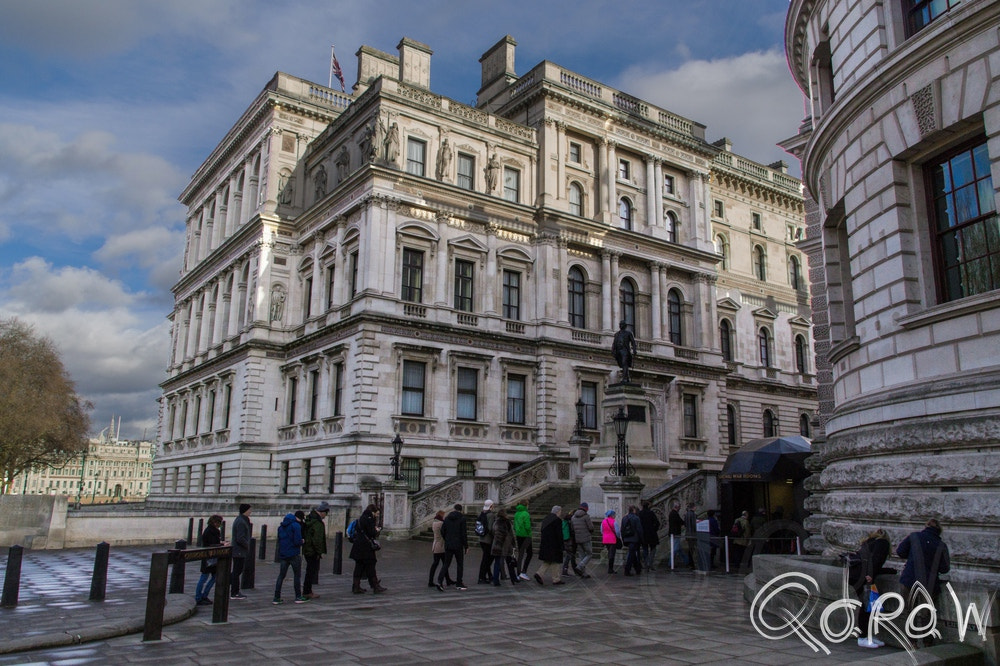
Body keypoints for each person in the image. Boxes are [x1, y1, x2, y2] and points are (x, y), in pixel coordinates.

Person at [848, 528, 891, 648]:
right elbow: (876, 560)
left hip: (856, 575)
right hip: (862, 577)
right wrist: (871, 575)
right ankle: (862, 638)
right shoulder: (883, 543)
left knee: (869, 607)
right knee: (866, 607)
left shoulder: (868, 543)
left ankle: (867, 636)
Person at [349, 504, 386, 594]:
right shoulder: (369, 519)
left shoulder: (361, 518)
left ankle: (356, 586)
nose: (377, 516)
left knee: (359, 566)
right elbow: (371, 533)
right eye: (376, 514)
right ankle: (375, 586)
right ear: (372, 512)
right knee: (370, 566)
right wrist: (377, 530)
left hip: (358, 546)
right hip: (366, 547)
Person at [273, 512, 308, 604]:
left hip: (284, 554)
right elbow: (297, 541)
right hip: (294, 553)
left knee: (281, 575)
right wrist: (302, 541)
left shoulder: (281, 527)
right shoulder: (295, 526)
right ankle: (298, 596)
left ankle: (276, 597)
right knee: (297, 576)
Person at [302, 501, 329, 599]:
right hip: (312, 550)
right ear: (322, 511)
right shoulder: (317, 522)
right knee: (311, 571)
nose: (326, 515)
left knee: (309, 570)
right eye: (326, 513)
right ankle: (307, 591)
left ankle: (307, 590)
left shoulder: (310, 518)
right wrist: (319, 551)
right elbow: (317, 539)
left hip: (308, 549)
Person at [194, 514, 223, 606]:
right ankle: (199, 597)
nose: (220, 525)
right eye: (219, 523)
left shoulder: (210, 530)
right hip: (209, 558)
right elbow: (212, 544)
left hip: (210, 557)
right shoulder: (211, 531)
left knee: (210, 577)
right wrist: (221, 545)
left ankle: (203, 595)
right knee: (204, 578)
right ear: (215, 522)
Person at [533, 506, 565, 585]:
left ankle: (539, 573)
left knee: (548, 560)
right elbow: (559, 534)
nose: (560, 513)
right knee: (556, 561)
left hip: (546, 543)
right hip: (554, 544)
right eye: (560, 511)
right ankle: (556, 579)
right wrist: (562, 545)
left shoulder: (546, 519)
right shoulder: (557, 520)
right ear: (558, 512)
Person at [440, 503, 469, 590]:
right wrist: (466, 546)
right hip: (458, 545)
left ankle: (439, 581)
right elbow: (464, 534)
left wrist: (447, 539)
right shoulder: (462, 519)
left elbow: (442, 530)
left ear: (454, 509)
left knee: (446, 564)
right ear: (461, 510)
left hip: (449, 544)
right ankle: (459, 583)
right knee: (460, 564)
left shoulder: (447, 518)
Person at [491, 507, 518, 586]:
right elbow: (511, 534)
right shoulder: (507, 522)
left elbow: (493, 532)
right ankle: (513, 578)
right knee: (509, 562)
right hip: (506, 545)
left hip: (497, 544)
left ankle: (496, 580)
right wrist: (513, 544)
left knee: (497, 563)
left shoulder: (495, 522)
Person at [230, 504, 251, 600]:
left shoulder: (240, 520)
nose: (250, 511)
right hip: (239, 550)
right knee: (237, 571)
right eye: (249, 510)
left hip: (238, 550)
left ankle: (234, 590)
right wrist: (247, 545)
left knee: (237, 570)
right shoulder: (241, 522)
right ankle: (234, 592)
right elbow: (240, 538)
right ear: (245, 510)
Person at [428, 510, 454, 589]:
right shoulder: (441, 523)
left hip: (436, 545)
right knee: (443, 564)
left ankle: (434, 580)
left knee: (438, 563)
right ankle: (446, 580)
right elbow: (445, 533)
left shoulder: (434, 523)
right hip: (441, 546)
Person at [571, 502, 594, 577]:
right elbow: (591, 527)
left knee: (582, 555)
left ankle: (583, 573)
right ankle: (580, 566)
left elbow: (572, 528)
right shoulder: (586, 516)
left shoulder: (573, 517)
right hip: (586, 538)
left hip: (577, 538)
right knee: (589, 554)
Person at [476, 499, 496, 584]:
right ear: (491, 506)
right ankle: (481, 577)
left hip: (481, 538)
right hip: (488, 539)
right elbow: (491, 528)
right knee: (487, 559)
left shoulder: (482, 513)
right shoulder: (491, 515)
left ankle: (488, 575)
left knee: (486, 558)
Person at [621, 505, 644, 576]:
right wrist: (642, 539)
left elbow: (622, 529)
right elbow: (639, 529)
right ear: (633, 510)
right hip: (634, 538)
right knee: (631, 554)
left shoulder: (624, 518)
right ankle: (627, 569)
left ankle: (637, 569)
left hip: (626, 538)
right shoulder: (636, 518)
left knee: (632, 553)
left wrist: (623, 538)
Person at [638, 500, 660, 571]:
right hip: (652, 534)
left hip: (643, 534)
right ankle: (650, 563)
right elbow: (657, 523)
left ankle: (646, 563)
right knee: (653, 549)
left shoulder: (640, 513)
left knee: (645, 549)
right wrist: (654, 529)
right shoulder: (651, 513)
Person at [513, 503, 533, 580]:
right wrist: (529, 533)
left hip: (518, 535)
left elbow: (514, 525)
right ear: (526, 505)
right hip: (526, 536)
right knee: (529, 553)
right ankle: (523, 571)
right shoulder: (526, 514)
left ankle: (518, 573)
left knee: (521, 554)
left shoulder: (516, 513)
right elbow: (527, 526)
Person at [601, 510, 620, 574]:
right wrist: (618, 537)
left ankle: (610, 568)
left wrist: (605, 535)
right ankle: (610, 568)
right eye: (614, 515)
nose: (615, 516)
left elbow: (602, 530)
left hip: (605, 539)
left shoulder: (603, 521)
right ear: (612, 515)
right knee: (612, 554)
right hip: (612, 539)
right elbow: (617, 532)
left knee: (609, 552)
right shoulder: (614, 522)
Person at [684, 502, 698, 569]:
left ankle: (690, 563)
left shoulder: (686, 514)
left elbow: (685, 524)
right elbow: (694, 525)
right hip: (693, 534)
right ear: (693, 507)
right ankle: (692, 564)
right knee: (693, 550)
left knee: (690, 549)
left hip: (688, 533)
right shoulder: (693, 514)